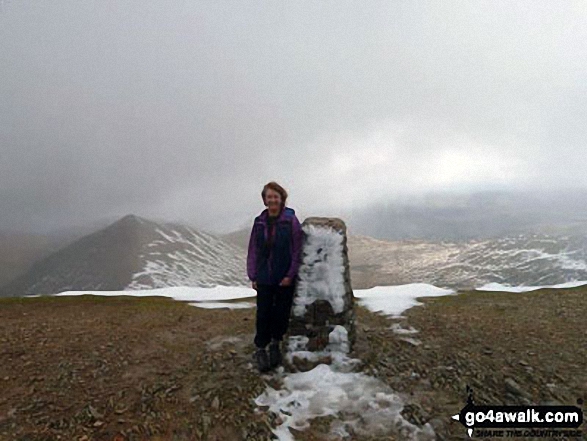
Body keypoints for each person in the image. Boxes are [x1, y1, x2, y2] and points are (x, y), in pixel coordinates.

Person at [247, 181, 303, 373]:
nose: (272, 200)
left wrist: (290, 274)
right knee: (263, 313)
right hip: (264, 276)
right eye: (269, 196)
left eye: (275, 197)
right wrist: (253, 274)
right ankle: (261, 348)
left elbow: (297, 250)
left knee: (281, 313)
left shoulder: (290, 221)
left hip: (284, 277)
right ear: (264, 200)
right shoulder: (259, 222)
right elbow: (253, 249)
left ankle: (275, 344)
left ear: (282, 199)